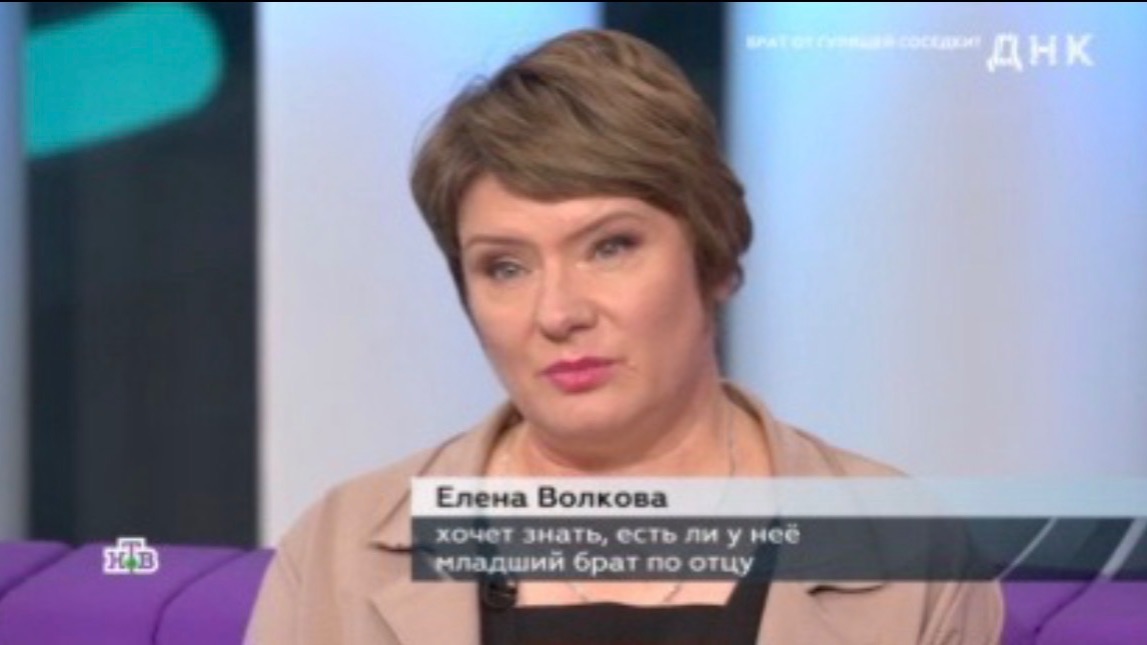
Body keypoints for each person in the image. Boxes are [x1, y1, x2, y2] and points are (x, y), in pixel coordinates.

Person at [246, 28, 1003, 644]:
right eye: (505, 266)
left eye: (610, 247)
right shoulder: (339, 548)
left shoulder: (908, 552)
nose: (557, 312)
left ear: (713, 257)